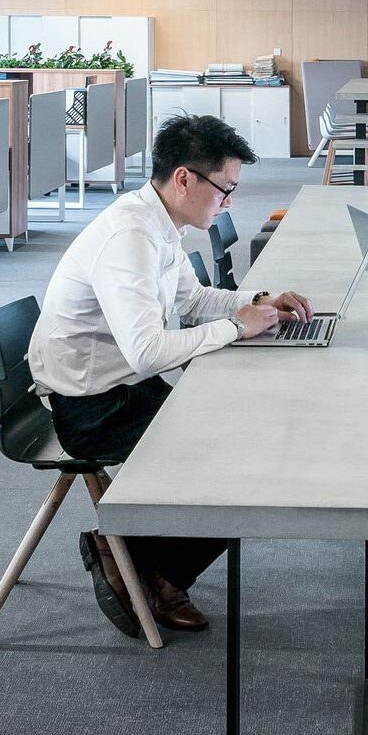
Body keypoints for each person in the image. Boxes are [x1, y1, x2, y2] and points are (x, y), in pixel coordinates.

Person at [27, 114, 314, 638]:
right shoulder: (129, 237)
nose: (229, 203)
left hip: (123, 387)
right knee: (245, 461)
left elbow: (191, 299)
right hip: (92, 407)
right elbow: (146, 352)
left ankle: (136, 555)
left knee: (255, 435)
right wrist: (237, 327)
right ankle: (147, 566)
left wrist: (259, 301)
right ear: (184, 179)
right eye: (225, 190)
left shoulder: (159, 223)